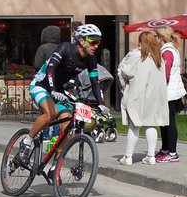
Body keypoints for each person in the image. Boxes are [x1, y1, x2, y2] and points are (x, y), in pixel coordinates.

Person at [16, 24, 108, 174]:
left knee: (67, 127)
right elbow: (51, 69)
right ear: (81, 40)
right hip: (41, 85)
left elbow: (95, 82)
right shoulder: (65, 48)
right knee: (50, 114)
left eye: (99, 42)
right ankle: (27, 141)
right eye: (93, 41)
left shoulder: (90, 59)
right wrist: (52, 90)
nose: (96, 45)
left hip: (59, 91)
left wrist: (101, 104)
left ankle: (55, 166)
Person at [117, 31, 169, 165]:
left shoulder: (137, 55)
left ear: (141, 42)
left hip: (138, 94)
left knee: (134, 125)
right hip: (154, 96)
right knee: (151, 124)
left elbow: (126, 72)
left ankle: (128, 157)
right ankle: (151, 156)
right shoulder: (159, 58)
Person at [156, 26, 187, 163]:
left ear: (162, 37)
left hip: (168, 92)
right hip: (170, 91)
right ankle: (165, 149)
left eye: (157, 36)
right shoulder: (170, 50)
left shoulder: (167, 52)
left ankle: (172, 153)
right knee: (164, 122)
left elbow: (165, 74)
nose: (155, 39)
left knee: (169, 122)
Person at [34, 26, 61, 141]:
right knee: (55, 108)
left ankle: (45, 133)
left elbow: (37, 64)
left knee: (45, 109)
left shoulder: (43, 48)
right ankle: (55, 133)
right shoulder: (61, 47)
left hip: (45, 80)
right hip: (58, 81)